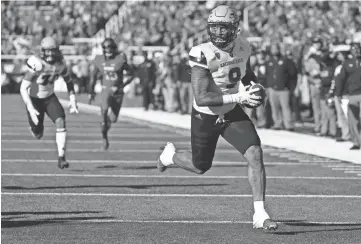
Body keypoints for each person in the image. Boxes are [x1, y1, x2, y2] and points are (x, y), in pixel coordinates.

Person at [157, 5, 277, 231]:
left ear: (235, 29)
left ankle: (260, 214)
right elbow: (202, 98)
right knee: (200, 166)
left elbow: (246, 74)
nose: (219, 32)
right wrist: (240, 96)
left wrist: (254, 89)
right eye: (215, 27)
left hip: (231, 110)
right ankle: (170, 156)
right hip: (206, 115)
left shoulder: (244, 46)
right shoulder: (201, 52)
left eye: (224, 28)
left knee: (255, 153)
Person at [20, 37, 79, 169]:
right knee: (38, 134)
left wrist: (73, 99)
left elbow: (69, 82)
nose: (50, 54)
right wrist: (30, 108)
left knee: (61, 120)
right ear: (42, 51)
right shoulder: (37, 63)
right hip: (34, 99)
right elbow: (23, 87)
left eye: (53, 51)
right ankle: (35, 128)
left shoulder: (60, 64)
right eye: (47, 51)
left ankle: (61, 157)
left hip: (49, 97)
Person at [88, 38, 134, 150]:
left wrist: (122, 86)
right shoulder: (99, 59)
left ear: (114, 48)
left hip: (117, 92)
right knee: (104, 113)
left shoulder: (120, 58)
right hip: (106, 90)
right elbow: (93, 76)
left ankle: (104, 129)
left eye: (110, 48)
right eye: (105, 48)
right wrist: (91, 91)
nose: (108, 50)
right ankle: (104, 134)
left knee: (113, 119)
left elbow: (131, 74)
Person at [265, 43, 298, 131]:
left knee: (286, 107)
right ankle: (277, 123)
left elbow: (293, 74)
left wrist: (291, 87)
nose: (274, 50)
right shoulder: (269, 61)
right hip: (272, 89)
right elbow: (267, 74)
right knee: (274, 107)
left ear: (279, 49)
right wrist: (268, 86)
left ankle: (288, 125)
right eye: (273, 49)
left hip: (284, 88)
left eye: (276, 48)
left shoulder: (286, 60)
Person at [335, 43, 361, 150]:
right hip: (351, 94)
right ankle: (356, 142)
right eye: (354, 49)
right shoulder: (347, 63)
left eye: (358, 49)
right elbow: (341, 79)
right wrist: (339, 93)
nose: (356, 51)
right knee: (352, 120)